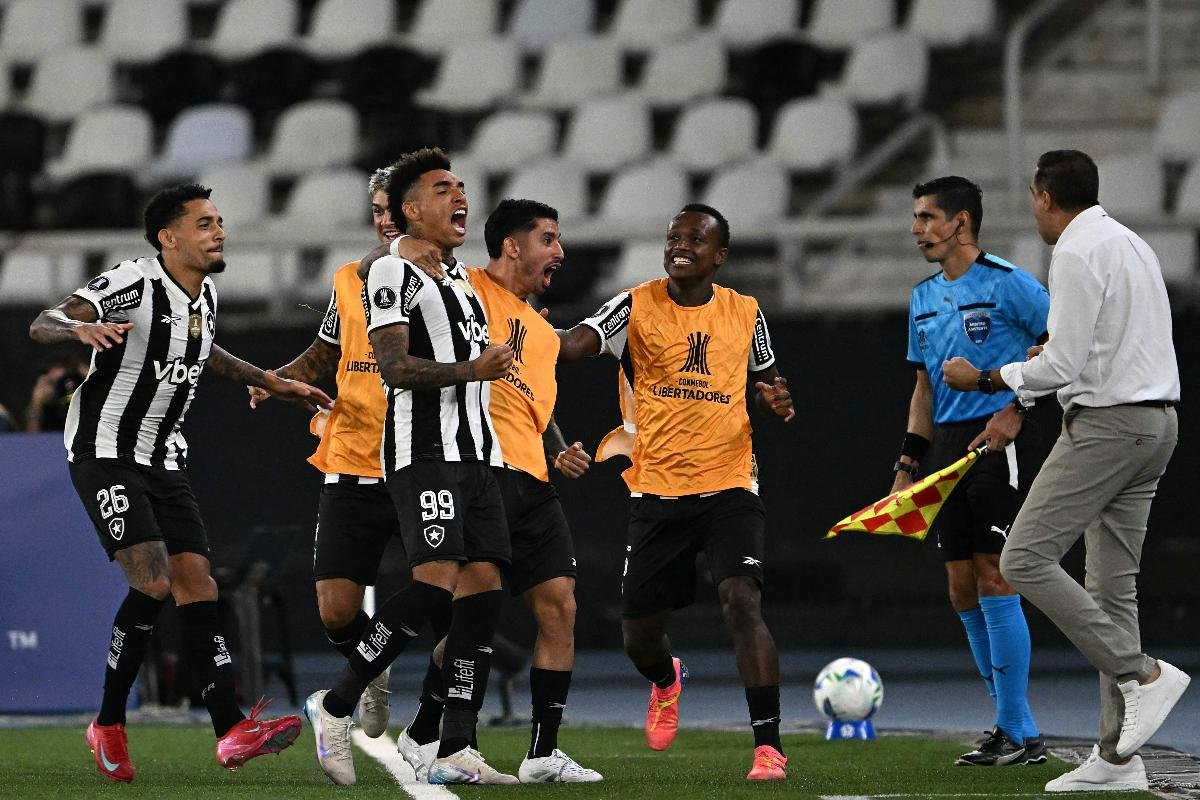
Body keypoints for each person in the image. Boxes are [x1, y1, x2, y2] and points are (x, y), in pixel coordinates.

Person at [28, 183, 332, 784]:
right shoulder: (134, 281)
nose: (219, 232)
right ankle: (109, 722)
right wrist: (76, 330)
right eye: (204, 223)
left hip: (165, 457)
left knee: (198, 585)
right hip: (105, 450)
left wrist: (273, 381)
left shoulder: (204, 294)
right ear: (169, 238)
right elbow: (45, 321)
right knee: (155, 580)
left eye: (219, 221)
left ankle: (230, 727)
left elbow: (206, 353)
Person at [943, 150, 1190, 793]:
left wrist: (991, 378)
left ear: (1044, 196)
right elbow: (1097, 345)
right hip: (1155, 423)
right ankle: (1117, 760)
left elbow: (1061, 368)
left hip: (1109, 428)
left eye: (1032, 198)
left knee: (1023, 559)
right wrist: (1053, 355)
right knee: (1112, 592)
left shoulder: (1076, 252)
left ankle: (1144, 675)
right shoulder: (1132, 243)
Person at [556, 204, 795, 782]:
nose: (680, 246)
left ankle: (768, 746)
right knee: (639, 636)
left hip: (731, 482)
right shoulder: (636, 304)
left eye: (695, 239)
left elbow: (766, 377)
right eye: (673, 237)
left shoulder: (745, 311)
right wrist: (539, 331)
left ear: (720, 256)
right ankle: (666, 679)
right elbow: (577, 343)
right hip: (659, 489)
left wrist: (775, 396)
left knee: (742, 599)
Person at [302, 147, 517, 786]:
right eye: (441, 187)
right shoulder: (391, 275)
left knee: (482, 596)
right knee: (432, 584)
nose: (459, 196)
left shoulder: (457, 279)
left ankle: (453, 744)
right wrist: (470, 370)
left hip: (476, 456)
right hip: (422, 453)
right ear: (410, 209)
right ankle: (337, 707)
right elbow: (394, 369)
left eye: (460, 185)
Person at [392, 198, 602, 784]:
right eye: (548, 239)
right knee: (474, 616)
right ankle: (449, 739)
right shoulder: (466, 288)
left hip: (534, 480)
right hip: (478, 472)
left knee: (560, 605)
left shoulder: (540, 329)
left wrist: (558, 446)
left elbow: (532, 400)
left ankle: (541, 752)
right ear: (512, 245)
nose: (559, 251)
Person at [247, 166, 447, 740]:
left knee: (447, 608)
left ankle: (443, 731)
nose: (384, 220)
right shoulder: (349, 279)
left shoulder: (451, 283)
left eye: (392, 208)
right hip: (353, 456)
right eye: (377, 210)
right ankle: (373, 668)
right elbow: (325, 352)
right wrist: (276, 378)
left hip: (422, 459)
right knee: (336, 610)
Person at [896, 176, 1051, 766]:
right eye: (916, 219)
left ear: (961, 222)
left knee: (994, 573)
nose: (917, 230)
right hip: (948, 452)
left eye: (927, 218)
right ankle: (1012, 728)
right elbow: (923, 389)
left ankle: (1018, 730)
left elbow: (1059, 348)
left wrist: (1014, 410)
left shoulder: (1012, 285)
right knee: (961, 588)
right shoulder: (922, 298)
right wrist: (908, 465)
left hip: (999, 437)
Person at [25, 353, 87, 432]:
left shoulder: (87, 395)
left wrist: (92, 379)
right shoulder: (48, 406)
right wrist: (36, 402)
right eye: (56, 382)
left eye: (67, 381)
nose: (63, 387)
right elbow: (30, 439)